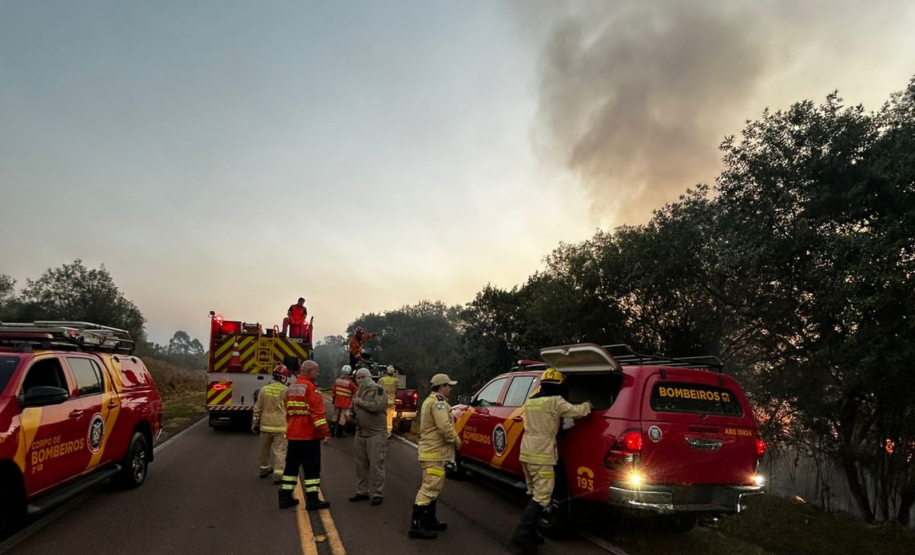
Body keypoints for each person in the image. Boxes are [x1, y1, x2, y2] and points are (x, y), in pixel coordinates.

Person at [510, 368, 592, 555]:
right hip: (542, 455)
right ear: (558, 385)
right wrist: (588, 404)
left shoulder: (531, 401)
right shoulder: (555, 401)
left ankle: (531, 533)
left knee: (532, 492)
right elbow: (577, 411)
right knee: (543, 496)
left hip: (526, 452)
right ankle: (521, 534)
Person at [408, 373, 461, 540]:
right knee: (429, 488)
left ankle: (430, 520)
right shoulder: (438, 403)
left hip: (433, 452)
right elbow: (444, 426)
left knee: (434, 487)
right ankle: (417, 526)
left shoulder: (432, 401)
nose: (450, 389)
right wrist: (456, 440)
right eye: (448, 386)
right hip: (434, 452)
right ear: (441, 387)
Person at [278, 360, 331, 511]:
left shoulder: (292, 387)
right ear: (308, 371)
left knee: (291, 467)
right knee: (311, 468)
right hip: (309, 435)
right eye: (316, 371)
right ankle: (312, 500)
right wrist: (326, 432)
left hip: (293, 434)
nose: (318, 373)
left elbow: (288, 411)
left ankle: (285, 497)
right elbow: (317, 414)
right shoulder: (311, 388)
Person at [346, 367, 388, 506]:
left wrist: (361, 403)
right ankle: (362, 491)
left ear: (368, 377)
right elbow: (351, 409)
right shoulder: (357, 394)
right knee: (360, 465)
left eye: (362, 377)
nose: (359, 380)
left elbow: (378, 407)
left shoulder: (378, 390)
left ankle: (377, 493)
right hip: (360, 433)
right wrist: (348, 414)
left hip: (376, 434)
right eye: (357, 378)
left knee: (376, 465)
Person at [253, 364, 290, 483]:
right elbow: (289, 408)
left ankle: (263, 469)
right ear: (283, 377)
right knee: (280, 451)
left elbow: (257, 408)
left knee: (264, 449)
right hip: (281, 426)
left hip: (266, 426)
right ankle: (278, 475)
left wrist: (255, 423)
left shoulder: (264, 389)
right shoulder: (286, 390)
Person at [331, 365, 358, 437]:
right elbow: (355, 391)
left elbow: (333, 391)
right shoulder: (350, 382)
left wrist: (334, 399)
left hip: (337, 401)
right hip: (346, 402)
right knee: (343, 417)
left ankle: (332, 431)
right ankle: (339, 433)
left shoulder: (337, 380)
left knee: (335, 415)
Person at [378, 365, 399, 438]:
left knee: (381, 417)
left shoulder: (382, 380)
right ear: (393, 372)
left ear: (386, 372)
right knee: (389, 419)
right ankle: (388, 433)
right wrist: (396, 376)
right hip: (391, 403)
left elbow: (378, 390)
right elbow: (398, 385)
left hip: (383, 402)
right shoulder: (395, 380)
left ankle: (380, 432)